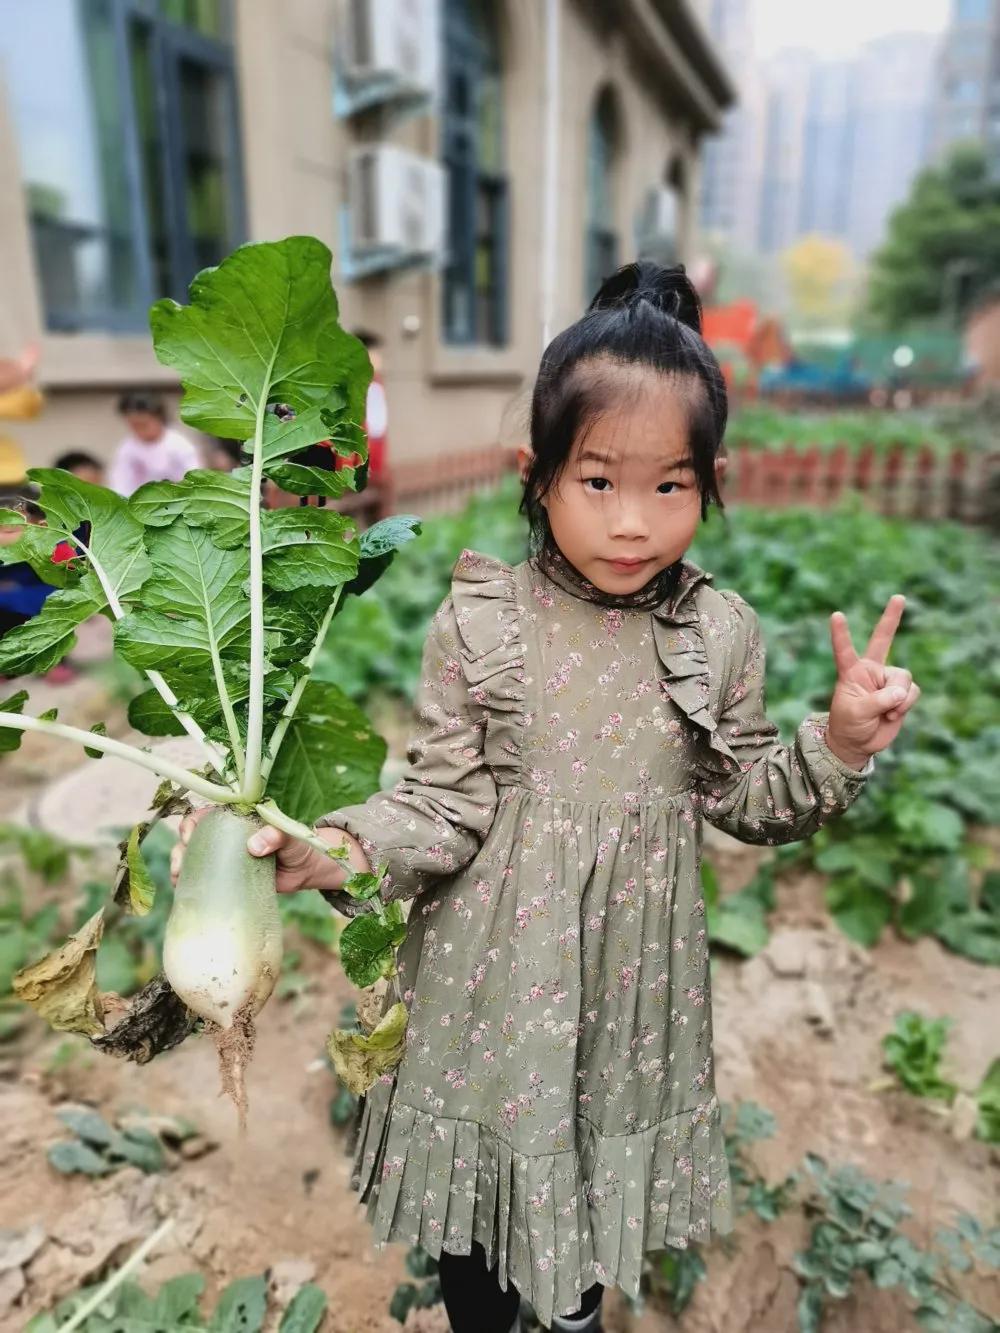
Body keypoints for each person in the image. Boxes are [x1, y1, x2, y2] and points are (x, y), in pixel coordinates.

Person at [170, 263, 919, 1333]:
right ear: (536, 474)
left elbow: (747, 793)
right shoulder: (485, 624)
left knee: (583, 1181)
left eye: (669, 486)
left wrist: (838, 740)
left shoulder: (719, 634)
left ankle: (566, 1315)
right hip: (489, 979)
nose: (632, 522)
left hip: (629, 985)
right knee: (477, 1203)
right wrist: (334, 844)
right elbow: (443, 803)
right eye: (597, 481)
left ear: (711, 480)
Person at [108, 391, 200, 497]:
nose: (140, 430)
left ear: (158, 418)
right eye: (134, 426)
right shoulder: (127, 449)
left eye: (144, 425)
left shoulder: (179, 445)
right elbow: (120, 482)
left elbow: (193, 478)